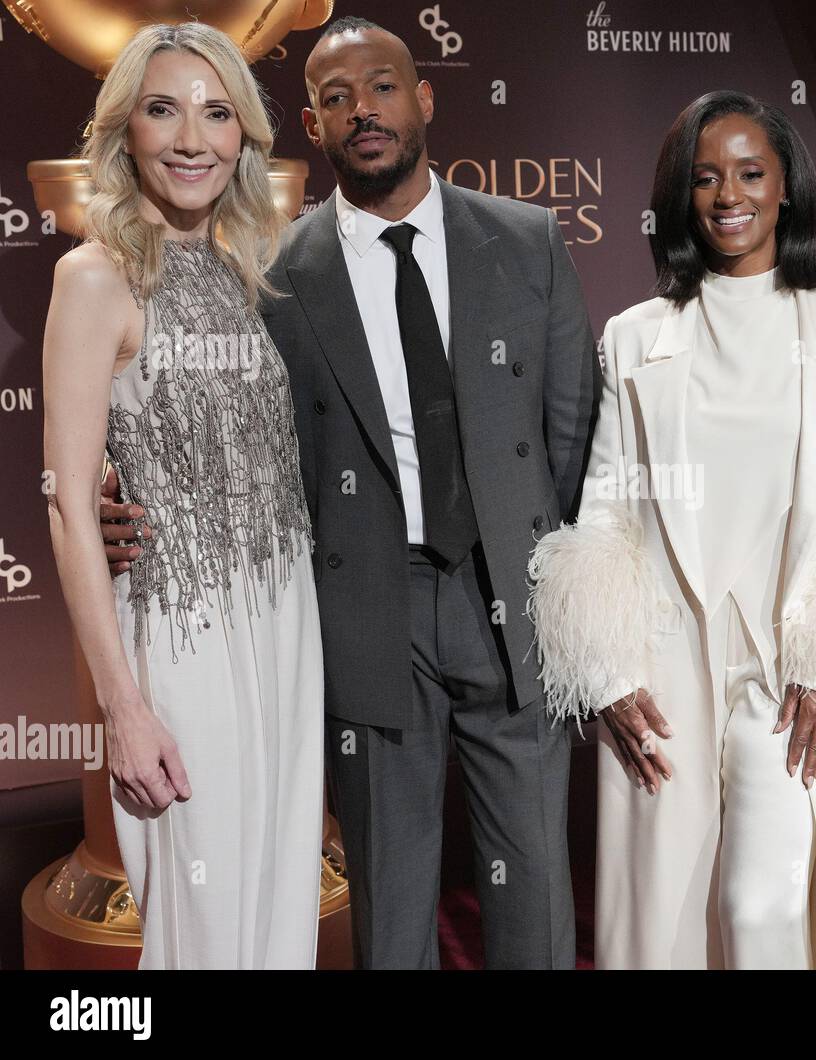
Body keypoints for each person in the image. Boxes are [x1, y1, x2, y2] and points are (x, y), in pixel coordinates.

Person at [102, 16, 597, 969]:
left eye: (380, 86)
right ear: (313, 127)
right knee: (390, 893)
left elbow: (571, 432)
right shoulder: (278, 274)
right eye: (334, 97)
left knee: (533, 888)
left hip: (516, 601)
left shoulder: (528, 239)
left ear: (425, 99)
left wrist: (541, 564)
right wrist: (113, 494)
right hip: (368, 610)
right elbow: (234, 435)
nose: (360, 109)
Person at [527, 90, 816, 969]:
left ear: (788, 187)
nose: (730, 195)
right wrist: (606, 670)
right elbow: (606, 506)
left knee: (764, 907)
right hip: (666, 656)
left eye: (751, 173)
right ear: (681, 198)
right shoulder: (633, 337)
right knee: (672, 918)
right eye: (706, 178)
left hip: (794, 660)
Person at [45, 23, 323, 969]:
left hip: (290, 626)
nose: (192, 139)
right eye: (163, 110)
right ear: (126, 130)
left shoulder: (268, 271)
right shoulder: (93, 278)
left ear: (245, 134)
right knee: (203, 925)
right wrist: (122, 705)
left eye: (216, 113)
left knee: (280, 905)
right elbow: (69, 506)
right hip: (181, 633)